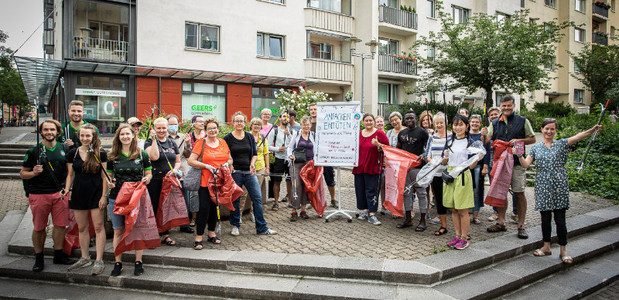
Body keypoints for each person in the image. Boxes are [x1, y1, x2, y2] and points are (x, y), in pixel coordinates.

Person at [515, 119, 602, 263]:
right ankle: (546, 246)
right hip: (542, 184)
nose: (549, 132)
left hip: (559, 183)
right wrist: (519, 155)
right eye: (546, 129)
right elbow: (525, 165)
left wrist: (592, 130)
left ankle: (563, 250)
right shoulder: (536, 148)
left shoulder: (561, 144)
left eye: (552, 129)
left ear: (555, 130)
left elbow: (578, 136)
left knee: (560, 219)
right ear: (541, 129)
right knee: (545, 218)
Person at [20, 119, 75, 272]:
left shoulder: (64, 148)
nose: (49, 132)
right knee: (39, 227)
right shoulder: (33, 151)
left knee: (60, 226)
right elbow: (23, 173)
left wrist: (67, 189)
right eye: (46, 130)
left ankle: (58, 254)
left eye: (52, 129)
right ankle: (39, 257)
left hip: (60, 193)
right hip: (39, 194)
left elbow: (70, 172)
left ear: (58, 132)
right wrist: (33, 172)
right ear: (41, 132)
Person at [484, 95, 536, 239]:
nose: (506, 108)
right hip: (500, 163)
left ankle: (521, 225)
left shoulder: (522, 121)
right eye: (504, 106)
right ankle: (501, 222)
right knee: (500, 193)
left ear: (514, 106)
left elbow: (533, 138)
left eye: (509, 105)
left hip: (517, 163)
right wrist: (483, 135)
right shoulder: (495, 123)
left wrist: (519, 140)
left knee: (519, 193)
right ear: (500, 106)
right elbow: (486, 140)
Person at [106, 123, 152, 276]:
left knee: (137, 230)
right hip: (117, 198)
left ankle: (138, 261)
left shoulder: (142, 154)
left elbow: (149, 174)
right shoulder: (112, 156)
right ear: (118, 137)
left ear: (133, 135)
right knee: (118, 230)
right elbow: (109, 177)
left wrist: (147, 179)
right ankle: (118, 262)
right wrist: (109, 183)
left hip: (136, 198)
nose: (125, 137)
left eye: (128, 134)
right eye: (122, 134)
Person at [63, 123, 108, 275]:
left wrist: (104, 196)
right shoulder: (73, 153)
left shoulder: (100, 153)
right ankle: (84, 257)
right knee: (82, 227)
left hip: (96, 193)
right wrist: (67, 189)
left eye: (88, 135)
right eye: (82, 135)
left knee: (98, 227)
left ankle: (99, 259)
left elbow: (104, 177)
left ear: (94, 137)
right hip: (78, 193)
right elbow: (70, 174)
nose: (85, 138)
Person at [224, 112, 277, 235]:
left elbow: (254, 154)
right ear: (233, 122)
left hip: (249, 172)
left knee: (257, 198)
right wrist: (230, 163)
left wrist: (252, 163)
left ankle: (261, 228)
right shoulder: (228, 138)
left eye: (241, 121)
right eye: (237, 121)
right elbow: (225, 154)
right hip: (235, 173)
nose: (239, 123)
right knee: (236, 199)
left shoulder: (249, 137)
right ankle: (235, 225)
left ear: (245, 123)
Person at [187, 118, 231, 249]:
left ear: (218, 129)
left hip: (219, 182)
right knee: (204, 209)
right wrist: (206, 166)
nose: (213, 130)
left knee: (215, 208)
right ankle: (198, 237)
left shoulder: (223, 142)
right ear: (205, 130)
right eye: (210, 128)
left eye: (215, 128)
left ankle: (212, 233)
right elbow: (191, 161)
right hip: (205, 182)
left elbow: (230, 158)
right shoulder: (201, 143)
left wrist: (227, 164)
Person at [442, 115, 482, 250]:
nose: (457, 127)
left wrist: (477, 158)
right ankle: (457, 236)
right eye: (455, 125)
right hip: (450, 175)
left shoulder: (470, 142)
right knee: (453, 208)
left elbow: (471, 166)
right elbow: (444, 162)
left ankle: (464, 238)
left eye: (460, 124)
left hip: (462, 175)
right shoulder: (449, 141)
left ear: (467, 126)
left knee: (462, 209)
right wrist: (445, 157)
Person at [145, 117, 182, 246]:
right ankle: (153, 235)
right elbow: (153, 156)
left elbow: (177, 161)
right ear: (154, 129)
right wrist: (154, 139)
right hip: (155, 181)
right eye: (158, 128)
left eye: (163, 128)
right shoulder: (149, 142)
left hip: (168, 181)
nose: (161, 130)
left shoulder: (172, 143)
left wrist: (175, 170)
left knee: (167, 209)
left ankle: (165, 234)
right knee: (154, 207)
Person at [481, 107, 518, 221]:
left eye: (495, 114)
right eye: (491, 115)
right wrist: (484, 136)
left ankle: (516, 212)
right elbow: (484, 146)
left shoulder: (507, 126)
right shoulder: (489, 130)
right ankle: (497, 212)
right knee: (496, 189)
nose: (493, 116)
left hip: (511, 160)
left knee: (516, 189)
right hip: (494, 162)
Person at [353, 114, 389, 225]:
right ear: (363, 122)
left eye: (370, 120)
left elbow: (387, 149)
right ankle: (367, 211)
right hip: (359, 167)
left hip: (373, 167)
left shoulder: (379, 134)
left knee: (371, 190)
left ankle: (372, 213)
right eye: (366, 120)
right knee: (361, 190)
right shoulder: (358, 134)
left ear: (373, 122)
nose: (368, 122)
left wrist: (378, 145)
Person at [396, 110, 429, 231]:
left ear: (416, 119)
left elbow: (428, 149)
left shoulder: (422, 132)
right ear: (404, 120)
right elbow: (397, 150)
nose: (409, 120)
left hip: (419, 168)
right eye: (407, 119)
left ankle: (422, 220)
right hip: (405, 169)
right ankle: (408, 219)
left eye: (412, 118)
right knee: (406, 193)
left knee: (421, 193)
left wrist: (424, 155)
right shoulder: (402, 133)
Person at [166, 115, 195, 234]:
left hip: (182, 172)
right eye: (171, 124)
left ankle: (185, 224)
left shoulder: (184, 137)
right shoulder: (164, 138)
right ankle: (166, 226)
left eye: (175, 124)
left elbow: (188, 155)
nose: (173, 126)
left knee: (184, 200)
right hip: (168, 172)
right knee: (167, 200)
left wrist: (188, 144)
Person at [287, 116, 318, 221]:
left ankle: (303, 210)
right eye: (304, 125)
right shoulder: (296, 134)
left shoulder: (313, 135)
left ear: (311, 125)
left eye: (308, 124)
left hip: (309, 165)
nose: (306, 126)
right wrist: (290, 155)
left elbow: (316, 149)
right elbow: (290, 147)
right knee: (296, 185)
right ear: (301, 125)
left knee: (305, 186)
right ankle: (294, 210)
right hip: (296, 164)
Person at [239, 118, 270, 222]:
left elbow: (266, 154)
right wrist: (253, 149)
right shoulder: (246, 136)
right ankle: (239, 214)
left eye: (258, 124)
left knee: (256, 193)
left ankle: (253, 213)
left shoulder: (263, 138)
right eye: (254, 124)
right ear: (251, 125)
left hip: (260, 166)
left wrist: (267, 167)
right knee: (243, 192)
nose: (256, 126)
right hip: (247, 167)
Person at [310, 102, 337, 207]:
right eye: (311, 109)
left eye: (315, 109)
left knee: (329, 178)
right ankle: (313, 200)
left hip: (326, 155)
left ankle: (333, 199)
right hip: (312, 156)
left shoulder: (324, 122)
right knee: (313, 179)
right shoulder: (308, 123)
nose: (313, 111)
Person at [267, 111, 294, 211]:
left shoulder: (292, 131)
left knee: (289, 180)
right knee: (277, 180)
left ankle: (291, 202)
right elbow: (268, 145)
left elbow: (294, 144)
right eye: (283, 116)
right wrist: (277, 149)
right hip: (278, 158)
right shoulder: (274, 131)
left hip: (289, 159)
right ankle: (276, 202)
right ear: (280, 118)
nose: (285, 118)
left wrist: (289, 135)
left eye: (287, 117)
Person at [429, 112, 450, 236]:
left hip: (450, 173)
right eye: (437, 123)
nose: (439, 125)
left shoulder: (452, 137)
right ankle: (443, 226)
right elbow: (427, 155)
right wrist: (432, 162)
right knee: (440, 200)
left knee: (453, 201)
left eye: (441, 122)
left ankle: (461, 229)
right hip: (437, 174)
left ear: (446, 123)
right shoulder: (432, 137)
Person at [381, 112, 404, 215]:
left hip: (402, 164)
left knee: (401, 187)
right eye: (392, 120)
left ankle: (402, 208)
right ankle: (388, 206)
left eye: (396, 119)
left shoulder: (406, 131)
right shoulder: (389, 133)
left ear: (400, 119)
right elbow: (385, 146)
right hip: (390, 164)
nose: (394, 122)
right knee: (389, 185)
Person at [187, 115, 206, 226]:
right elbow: (187, 153)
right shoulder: (189, 136)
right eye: (199, 122)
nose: (202, 124)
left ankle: (204, 216)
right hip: (194, 166)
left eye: (203, 122)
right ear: (193, 124)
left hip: (206, 165)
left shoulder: (207, 135)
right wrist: (188, 143)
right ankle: (193, 217)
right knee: (194, 193)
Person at [468, 114, 484, 225]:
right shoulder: (465, 135)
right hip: (466, 166)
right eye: (473, 121)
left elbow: (486, 151)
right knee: (467, 190)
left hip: (478, 166)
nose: (474, 124)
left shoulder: (483, 136)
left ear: (480, 124)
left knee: (477, 191)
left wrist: (486, 166)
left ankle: (475, 215)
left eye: (477, 122)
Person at [419, 110, 434, 221]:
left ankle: (439, 212)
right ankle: (426, 209)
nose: (425, 121)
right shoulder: (419, 132)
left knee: (435, 189)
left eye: (428, 119)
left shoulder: (436, 132)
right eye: (423, 120)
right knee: (425, 188)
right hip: (423, 163)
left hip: (434, 162)